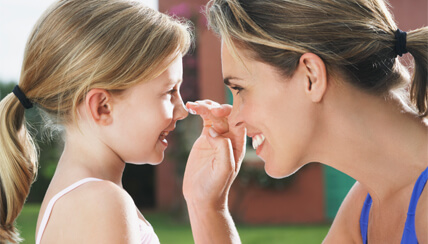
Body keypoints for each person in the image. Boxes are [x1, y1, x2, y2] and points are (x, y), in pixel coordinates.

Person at [182, 0, 428, 243]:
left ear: (310, 77)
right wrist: (206, 206)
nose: (233, 118)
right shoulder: (365, 206)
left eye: (241, 89)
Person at [0, 0, 191, 243]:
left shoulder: (87, 197)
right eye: (169, 92)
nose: (182, 110)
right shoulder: (100, 203)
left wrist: (207, 204)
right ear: (102, 107)